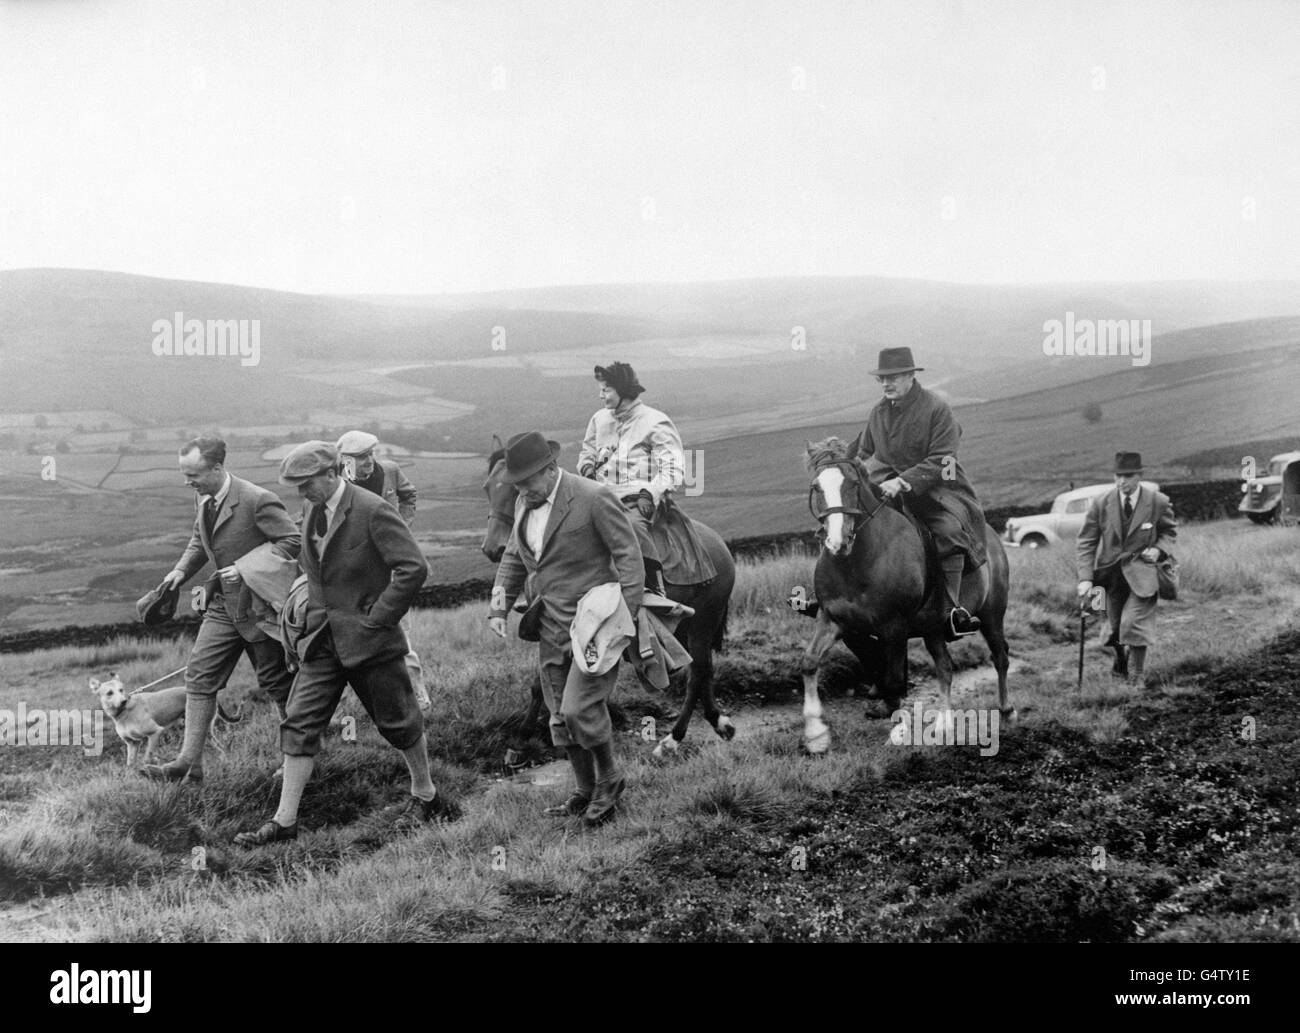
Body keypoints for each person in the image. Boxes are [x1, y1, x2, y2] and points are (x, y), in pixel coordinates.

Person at [234, 441, 456, 846]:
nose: (301, 492)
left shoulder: (372, 509)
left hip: (370, 641)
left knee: (398, 719)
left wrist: (379, 618)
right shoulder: (311, 513)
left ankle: (427, 795)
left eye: (307, 483)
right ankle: (285, 821)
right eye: (296, 485)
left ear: (333, 473)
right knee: (299, 721)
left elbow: (413, 567)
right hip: (321, 641)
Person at [488, 431, 643, 827]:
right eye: (516, 483)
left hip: (598, 623)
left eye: (526, 481)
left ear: (551, 469)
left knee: (579, 706)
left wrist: (626, 614)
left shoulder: (593, 497)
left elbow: (627, 554)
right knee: (559, 712)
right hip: (552, 623)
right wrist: (499, 607)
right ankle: (584, 789)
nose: (521, 490)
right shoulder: (526, 502)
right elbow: (513, 555)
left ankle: (609, 779)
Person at [143, 437, 301, 783]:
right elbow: (200, 540)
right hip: (220, 606)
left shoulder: (257, 499)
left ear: (217, 468)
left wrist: (246, 567)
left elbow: (292, 541)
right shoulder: (203, 496)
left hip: (258, 608)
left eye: (194, 474)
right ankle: (188, 764)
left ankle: (297, 759)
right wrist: (180, 571)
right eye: (184, 474)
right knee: (199, 678)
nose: (188, 482)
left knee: (277, 683)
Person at [849, 347, 989, 637]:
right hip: (887, 487)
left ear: (911, 376)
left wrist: (903, 481)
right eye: (882, 379)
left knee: (949, 532)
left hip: (938, 487)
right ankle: (841, 598)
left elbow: (944, 459)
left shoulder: (937, 409)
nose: (886, 384)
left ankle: (954, 610)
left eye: (894, 377)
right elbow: (864, 452)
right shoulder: (878, 412)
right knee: (851, 525)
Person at [336, 430, 429, 711]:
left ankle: (419, 695)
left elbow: (409, 494)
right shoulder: (336, 484)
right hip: (353, 572)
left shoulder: (390, 471)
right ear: (345, 461)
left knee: (400, 630)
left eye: (370, 455)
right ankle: (352, 707)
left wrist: (402, 528)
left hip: (389, 566)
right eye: (361, 457)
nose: (368, 462)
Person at [578, 362, 683, 597]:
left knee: (631, 527)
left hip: (638, 499)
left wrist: (652, 493)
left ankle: (654, 588)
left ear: (623, 390)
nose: (600, 395)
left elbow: (673, 468)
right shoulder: (598, 419)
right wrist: (586, 467)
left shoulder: (655, 421)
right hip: (600, 495)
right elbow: (587, 451)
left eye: (606, 390)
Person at [1076, 451, 1178, 684]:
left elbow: (1169, 532)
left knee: (1132, 623)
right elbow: (1086, 541)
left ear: (1139, 475)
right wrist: (1085, 578)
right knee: (1114, 629)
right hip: (1110, 576)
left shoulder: (1157, 502)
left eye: (1128, 476)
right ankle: (1121, 661)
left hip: (1143, 574)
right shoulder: (1102, 503)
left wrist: (1159, 550)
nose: (1122, 482)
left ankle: (1136, 678)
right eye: (1118, 476)